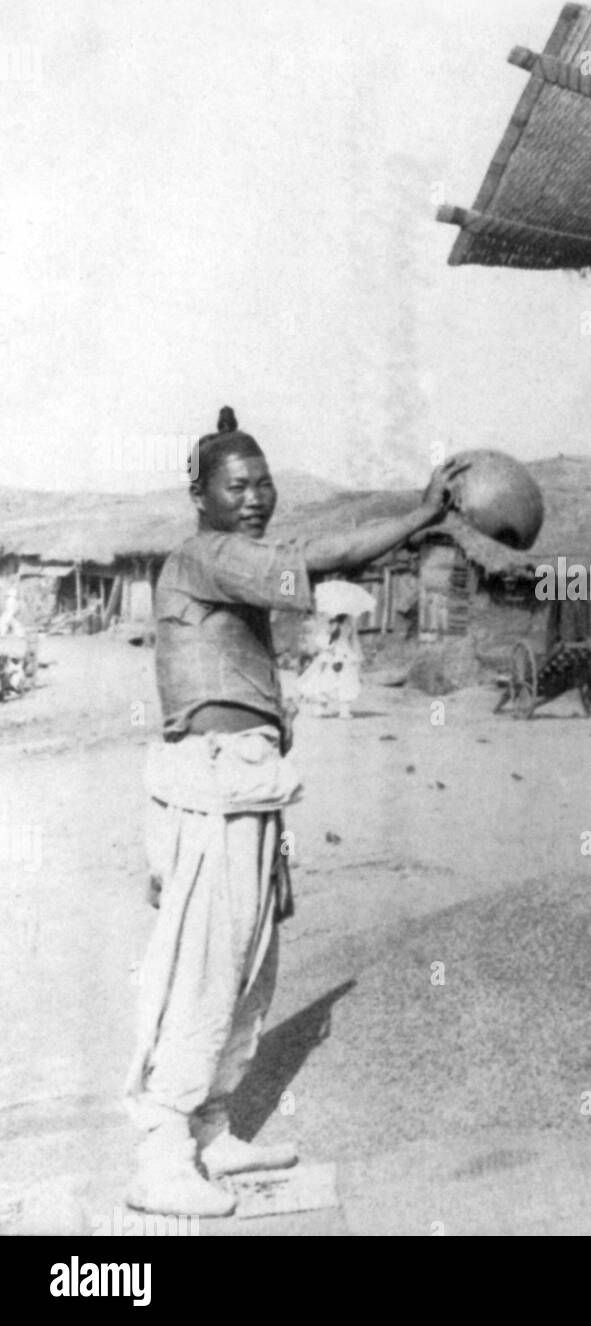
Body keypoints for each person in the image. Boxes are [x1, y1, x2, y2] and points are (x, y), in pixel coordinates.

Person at [124, 406, 464, 1217]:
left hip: (249, 786)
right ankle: (159, 1151)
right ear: (199, 497)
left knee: (248, 968)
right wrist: (421, 515)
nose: (254, 497)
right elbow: (315, 557)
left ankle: (210, 1129)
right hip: (210, 791)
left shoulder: (228, 561)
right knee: (205, 970)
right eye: (235, 485)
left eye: (263, 483)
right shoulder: (207, 557)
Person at [296, 613, 363, 718]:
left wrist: (330, 645)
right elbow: (347, 640)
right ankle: (338, 711)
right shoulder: (344, 625)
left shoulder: (337, 625)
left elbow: (324, 640)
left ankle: (328, 710)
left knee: (329, 680)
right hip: (339, 654)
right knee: (339, 681)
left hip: (336, 654)